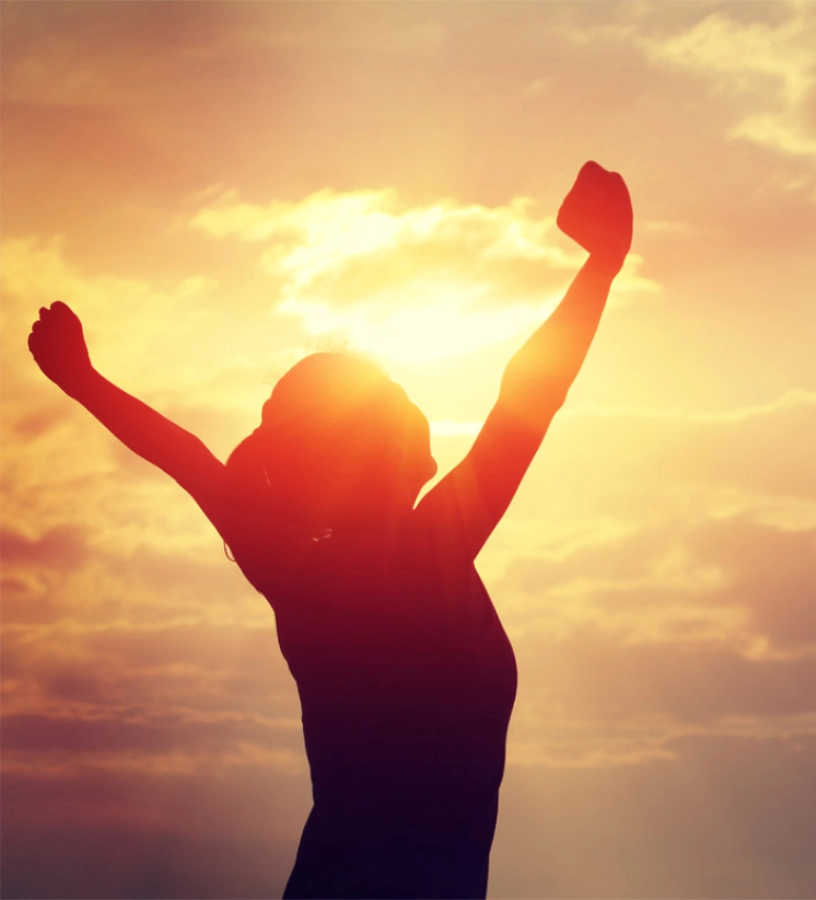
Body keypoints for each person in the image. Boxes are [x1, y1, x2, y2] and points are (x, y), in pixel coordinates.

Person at [28, 161, 632, 899]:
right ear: (382, 445)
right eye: (393, 396)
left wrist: (83, 378)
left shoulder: (293, 567)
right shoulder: (424, 555)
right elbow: (527, 400)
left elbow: (186, 458)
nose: (413, 402)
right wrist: (601, 266)